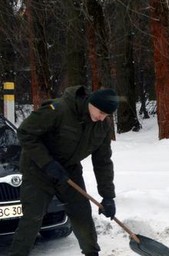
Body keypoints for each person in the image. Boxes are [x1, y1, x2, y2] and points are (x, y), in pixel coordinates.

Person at [9, 86, 120, 256]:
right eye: (100, 112)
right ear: (91, 102)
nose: (101, 117)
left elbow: (103, 161)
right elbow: (25, 132)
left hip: (69, 170)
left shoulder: (102, 126)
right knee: (32, 219)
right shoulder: (59, 109)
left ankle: (92, 253)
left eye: (106, 115)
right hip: (38, 170)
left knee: (82, 214)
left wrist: (108, 196)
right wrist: (47, 163)